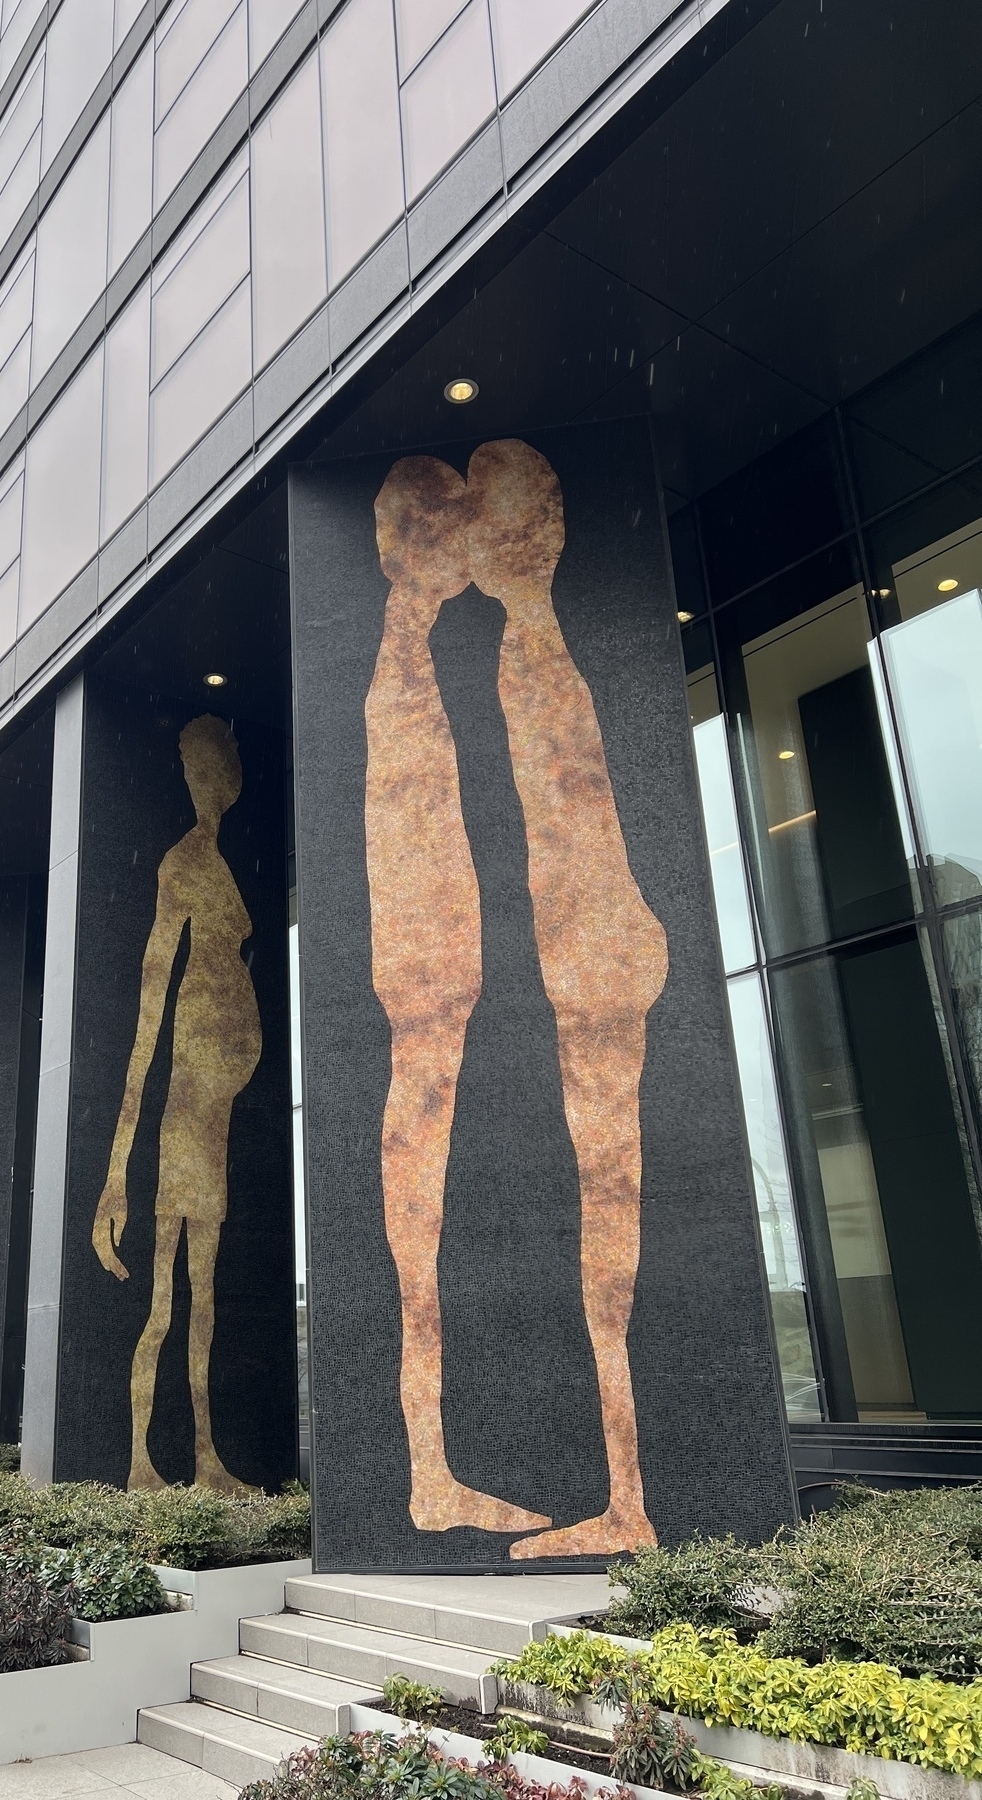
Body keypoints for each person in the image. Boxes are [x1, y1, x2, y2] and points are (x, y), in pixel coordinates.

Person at [365, 438, 667, 1556]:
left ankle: (616, 1497)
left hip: (578, 964)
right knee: (500, 1191)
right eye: (446, 538)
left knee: (591, 1196)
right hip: (526, 967)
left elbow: (559, 839)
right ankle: (448, 1475)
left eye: (477, 531)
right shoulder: (471, 664)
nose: (462, 557)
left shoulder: (508, 659)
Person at [92, 714, 260, 1492]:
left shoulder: (219, 861)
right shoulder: (185, 862)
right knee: (165, 1293)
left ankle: (204, 1457)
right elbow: (149, 1010)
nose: (207, 785)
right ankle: (136, 1462)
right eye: (195, 771)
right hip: (187, 1108)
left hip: (216, 1109)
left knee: (206, 1297)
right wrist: (116, 1171)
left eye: (213, 769)